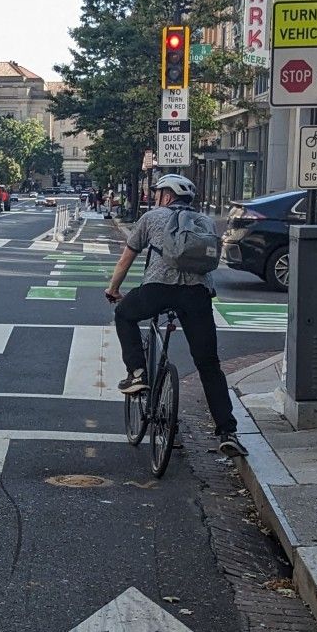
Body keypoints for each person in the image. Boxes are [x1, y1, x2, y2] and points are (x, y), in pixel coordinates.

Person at [105, 173, 245, 458]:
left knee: (124, 314)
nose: (156, 197)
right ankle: (227, 431)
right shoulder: (204, 221)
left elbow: (126, 258)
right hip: (197, 294)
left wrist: (113, 289)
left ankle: (138, 372)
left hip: (158, 289)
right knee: (209, 364)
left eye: (158, 193)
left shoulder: (152, 218)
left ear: (166, 196)